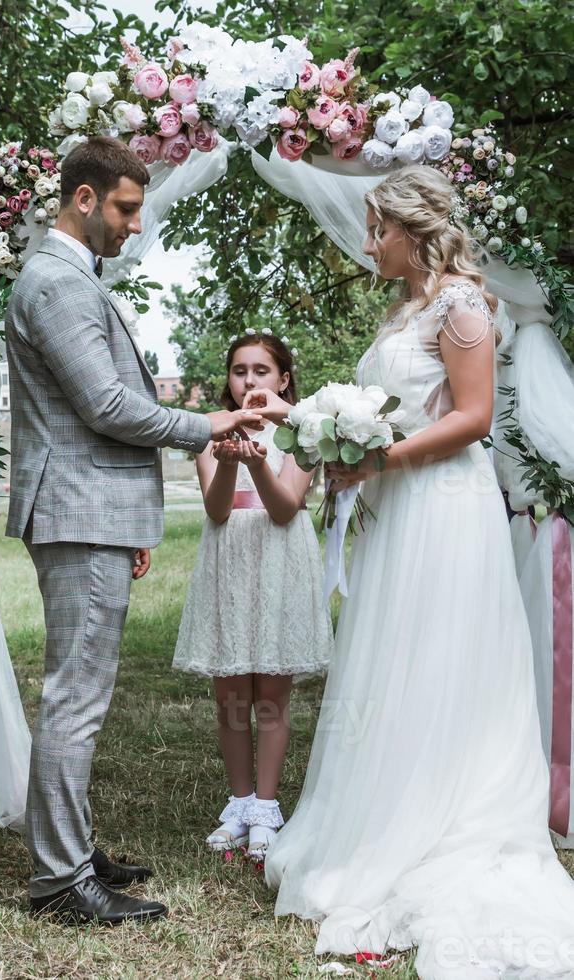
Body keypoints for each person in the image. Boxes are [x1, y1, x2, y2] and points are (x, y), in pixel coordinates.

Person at [245, 166, 574, 977]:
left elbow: (472, 419)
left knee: (438, 661)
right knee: (394, 663)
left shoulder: (463, 306)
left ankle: (440, 821)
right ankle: (382, 812)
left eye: (377, 230)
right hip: (400, 510)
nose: (367, 244)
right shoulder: (407, 310)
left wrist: (376, 455)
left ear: (413, 229)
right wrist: (326, 433)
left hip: (445, 511)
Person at [5, 136, 263, 925]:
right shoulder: (56, 283)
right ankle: (59, 881)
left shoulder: (71, 278)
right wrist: (210, 422)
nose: (133, 225)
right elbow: (108, 407)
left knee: (83, 689)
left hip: (95, 510)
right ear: (84, 199)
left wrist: (131, 521)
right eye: (123, 208)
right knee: (74, 696)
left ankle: (73, 851)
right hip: (77, 509)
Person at [173, 334, 333, 862]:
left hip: (279, 556)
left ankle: (266, 805)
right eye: (240, 371)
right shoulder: (210, 434)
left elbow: (286, 508)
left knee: (271, 689)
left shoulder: (302, 434)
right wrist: (226, 461)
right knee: (230, 690)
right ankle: (239, 802)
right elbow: (217, 510)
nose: (249, 381)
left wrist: (258, 462)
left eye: (262, 371)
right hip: (230, 557)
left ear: (283, 379)